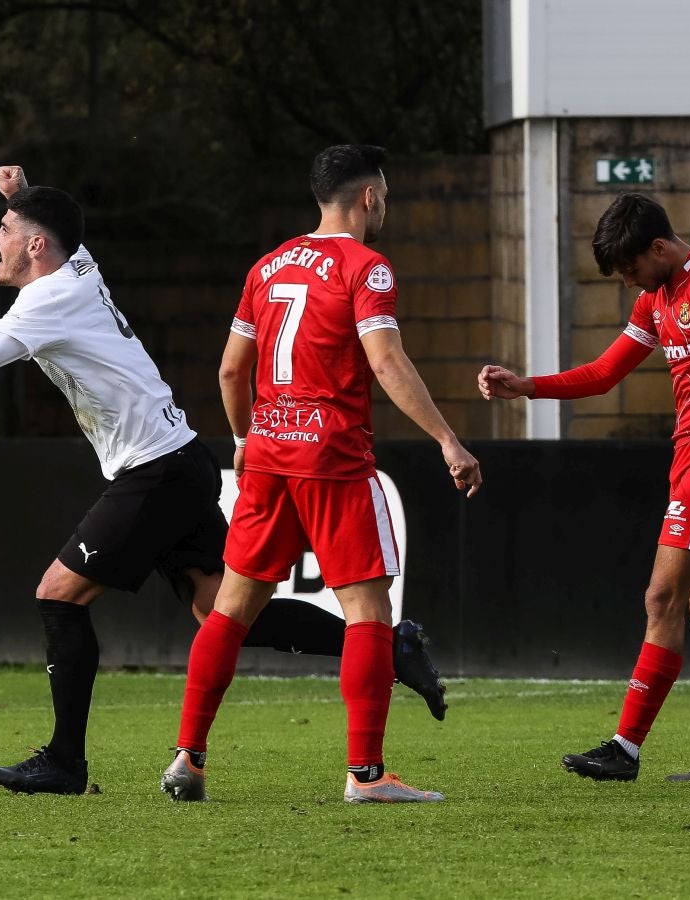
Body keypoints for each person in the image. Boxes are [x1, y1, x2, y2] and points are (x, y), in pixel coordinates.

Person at [0, 165, 450, 796]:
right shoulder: (78, 267)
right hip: (178, 460)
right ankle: (391, 648)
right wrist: (21, 199)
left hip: (156, 470)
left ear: (35, 245)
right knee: (223, 612)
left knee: (58, 595)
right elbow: (56, 237)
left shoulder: (46, 299)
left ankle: (65, 761)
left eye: (3, 228)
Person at [161, 145, 483, 805]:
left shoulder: (267, 265)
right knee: (368, 611)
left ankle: (188, 759)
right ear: (368, 197)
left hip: (268, 454)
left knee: (230, 608)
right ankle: (366, 775)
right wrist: (447, 439)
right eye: (384, 195)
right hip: (331, 458)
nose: (384, 205)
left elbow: (230, 369)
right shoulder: (367, 267)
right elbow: (386, 362)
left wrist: (244, 439)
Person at [478, 192, 690, 782]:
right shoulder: (656, 297)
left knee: (661, 599)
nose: (627, 282)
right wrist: (527, 386)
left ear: (660, 247)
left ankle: (626, 747)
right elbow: (604, 373)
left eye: (630, 268)